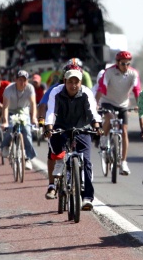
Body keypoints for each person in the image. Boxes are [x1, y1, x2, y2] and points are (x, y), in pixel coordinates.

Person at [43, 67, 102, 210]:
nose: (73, 85)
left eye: (77, 82)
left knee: (86, 161)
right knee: (55, 149)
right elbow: (51, 111)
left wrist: (96, 125)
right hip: (60, 127)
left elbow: (92, 112)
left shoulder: (86, 92)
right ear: (65, 81)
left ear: (81, 82)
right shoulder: (56, 92)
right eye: (70, 82)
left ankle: (87, 197)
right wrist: (49, 127)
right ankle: (58, 170)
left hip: (82, 128)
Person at [95, 51, 141, 176]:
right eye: (122, 64)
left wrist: (140, 105)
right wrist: (96, 103)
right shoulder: (109, 72)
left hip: (123, 104)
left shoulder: (133, 73)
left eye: (127, 64)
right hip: (107, 101)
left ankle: (123, 162)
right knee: (109, 118)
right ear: (117, 63)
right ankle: (104, 138)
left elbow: (137, 90)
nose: (125, 66)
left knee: (124, 130)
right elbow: (102, 88)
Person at [0, 70, 38, 170]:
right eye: (20, 80)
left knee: (27, 132)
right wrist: (5, 121)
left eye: (25, 80)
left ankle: (27, 158)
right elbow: (5, 107)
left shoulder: (30, 88)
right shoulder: (9, 89)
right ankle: (5, 146)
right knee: (10, 127)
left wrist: (33, 117)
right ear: (16, 80)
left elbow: (33, 104)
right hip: (11, 111)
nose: (22, 83)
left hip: (24, 111)